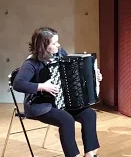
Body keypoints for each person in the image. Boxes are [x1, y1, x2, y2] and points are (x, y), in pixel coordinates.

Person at [13, 27, 101, 157]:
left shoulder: (60, 54)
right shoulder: (31, 63)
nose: (58, 45)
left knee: (89, 114)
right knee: (66, 120)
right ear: (43, 46)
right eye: (54, 43)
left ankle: (90, 154)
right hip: (40, 104)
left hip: (62, 101)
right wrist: (42, 86)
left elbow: (73, 73)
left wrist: (94, 75)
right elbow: (18, 84)